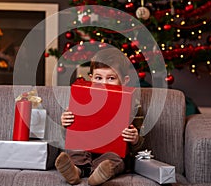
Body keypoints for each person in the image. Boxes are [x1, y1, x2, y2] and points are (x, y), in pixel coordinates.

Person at [55, 48, 144, 185]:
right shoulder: (83, 99)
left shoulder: (133, 105)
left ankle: (99, 174)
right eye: (98, 78)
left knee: (115, 160)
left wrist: (135, 139)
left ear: (124, 80)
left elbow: (140, 142)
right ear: (91, 78)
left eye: (111, 78)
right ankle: (75, 171)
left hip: (111, 153)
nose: (104, 83)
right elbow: (69, 136)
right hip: (85, 149)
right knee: (75, 151)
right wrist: (66, 124)